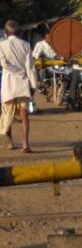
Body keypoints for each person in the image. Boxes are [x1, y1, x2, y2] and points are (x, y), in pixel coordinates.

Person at [0, 19, 39, 152]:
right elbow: (30, 68)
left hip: (8, 85)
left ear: (6, 33)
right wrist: (33, 85)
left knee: (7, 114)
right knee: (24, 114)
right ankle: (25, 144)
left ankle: (10, 143)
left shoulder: (2, 45)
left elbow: (4, 64)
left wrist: (16, 71)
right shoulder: (26, 45)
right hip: (23, 84)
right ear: (19, 33)